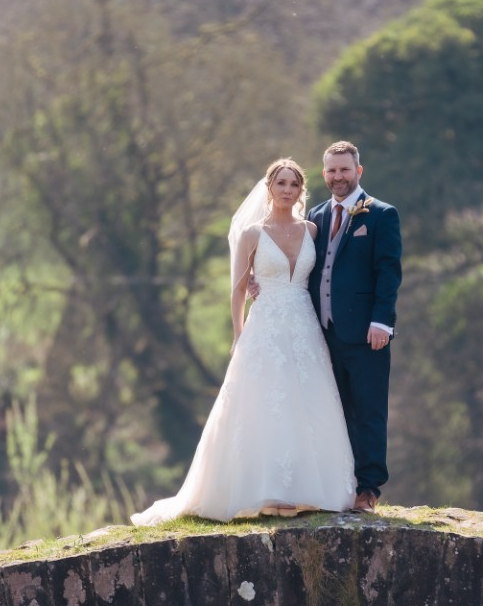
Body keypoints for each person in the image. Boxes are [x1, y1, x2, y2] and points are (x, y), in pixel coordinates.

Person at [130, 158, 355, 525]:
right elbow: (237, 291)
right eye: (281, 183)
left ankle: (306, 489)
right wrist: (238, 334)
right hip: (264, 325)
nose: (287, 190)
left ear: (301, 191)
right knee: (265, 402)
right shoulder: (252, 234)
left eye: (293, 185)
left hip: (303, 326)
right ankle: (265, 490)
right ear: (270, 188)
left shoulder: (312, 230)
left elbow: (321, 280)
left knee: (307, 401)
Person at [307, 140, 402, 511]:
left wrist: (382, 321)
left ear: (358, 171)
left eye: (344, 169)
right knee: (334, 409)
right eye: (331, 170)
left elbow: (388, 272)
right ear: (324, 173)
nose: (338, 176)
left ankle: (368, 488)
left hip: (367, 334)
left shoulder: (381, 214)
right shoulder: (315, 216)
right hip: (324, 333)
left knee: (369, 409)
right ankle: (339, 485)